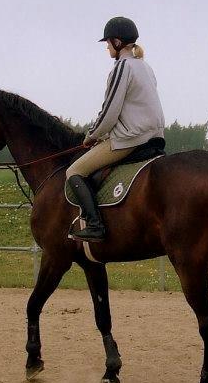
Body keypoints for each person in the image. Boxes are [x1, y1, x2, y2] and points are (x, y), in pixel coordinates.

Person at [65, 16, 166, 241]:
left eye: (108, 43)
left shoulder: (122, 67)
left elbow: (109, 112)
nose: (107, 48)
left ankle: (94, 225)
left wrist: (91, 136)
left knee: (74, 171)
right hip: (154, 137)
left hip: (131, 139)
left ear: (118, 42)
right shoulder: (145, 67)